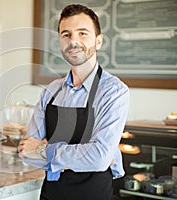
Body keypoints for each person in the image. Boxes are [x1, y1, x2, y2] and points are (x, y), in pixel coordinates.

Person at [18, 4, 130, 200]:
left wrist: (43, 149)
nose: (73, 41)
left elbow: (99, 158)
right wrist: (84, 156)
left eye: (82, 33)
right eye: (66, 35)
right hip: (51, 195)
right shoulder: (50, 91)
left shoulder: (114, 92)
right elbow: (27, 152)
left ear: (98, 41)